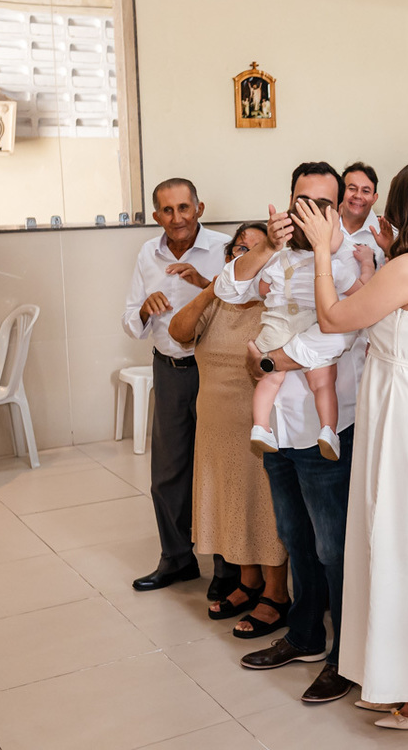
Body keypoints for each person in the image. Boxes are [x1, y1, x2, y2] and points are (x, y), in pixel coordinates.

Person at [290, 159, 408, 729]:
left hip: (404, 413)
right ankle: (399, 674)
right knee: (393, 541)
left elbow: (333, 317)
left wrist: (323, 251)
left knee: (402, 547)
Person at [224, 162, 374, 704]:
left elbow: (335, 337)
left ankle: (345, 657)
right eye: (301, 203)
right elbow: (228, 287)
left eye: (322, 205)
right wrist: (266, 244)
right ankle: (306, 636)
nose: (311, 214)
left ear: (338, 209)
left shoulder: (352, 258)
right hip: (277, 428)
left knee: (333, 546)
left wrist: (268, 362)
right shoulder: (278, 253)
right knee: (295, 536)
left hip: (324, 428)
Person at [167, 223, 291, 638]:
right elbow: (178, 332)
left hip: (257, 426)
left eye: (259, 251)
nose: (248, 258)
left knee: (263, 507)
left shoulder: (275, 302)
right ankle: (249, 581)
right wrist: (212, 289)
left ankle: (276, 594)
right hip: (215, 424)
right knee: (231, 503)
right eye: (240, 250)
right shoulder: (218, 300)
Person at [122, 177, 236, 596]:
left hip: (215, 371)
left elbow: (246, 304)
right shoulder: (146, 253)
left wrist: (205, 283)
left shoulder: (225, 248)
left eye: (184, 208)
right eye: (167, 211)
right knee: (168, 473)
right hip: (168, 369)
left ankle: (229, 569)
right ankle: (177, 558)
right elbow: (129, 317)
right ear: (156, 216)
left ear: (199, 209)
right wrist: (144, 310)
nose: (177, 218)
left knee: (219, 470)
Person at [244, 198, 366, 460]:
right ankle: (328, 430)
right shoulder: (333, 267)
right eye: (337, 229)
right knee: (323, 384)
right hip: (310, 324)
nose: (341, 235)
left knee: (269, 379)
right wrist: (367, 266)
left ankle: (261, 426)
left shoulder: (278, 259)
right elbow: (362, 295)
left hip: (276, 324)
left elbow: (263, 289)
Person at [340, 162, 386, 269]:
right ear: (340, 191)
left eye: (365, 191)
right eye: (352, 188)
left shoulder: (384, 234)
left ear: (374, 198)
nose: (358, 196)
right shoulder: (325, 223)